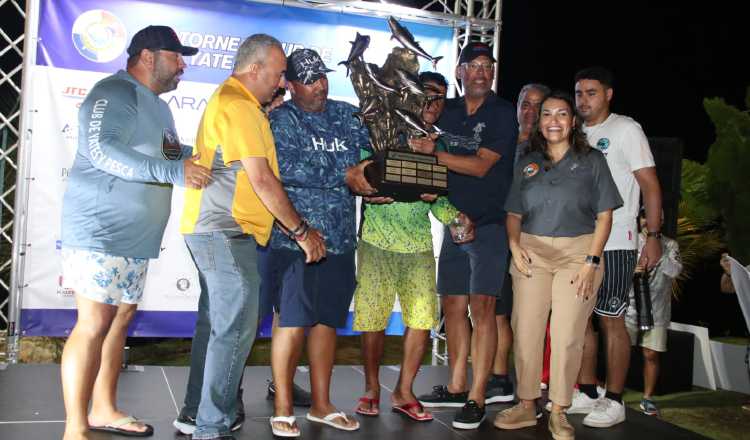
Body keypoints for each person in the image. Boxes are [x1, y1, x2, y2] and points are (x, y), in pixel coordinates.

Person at [58, 25, 210, 439]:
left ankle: (103, 408)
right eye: (177, 56)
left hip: (136, 236)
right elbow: (102, 150)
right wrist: (175, 170)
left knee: (119, 320)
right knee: (93, 323)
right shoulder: (116, 92)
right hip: (99, 230)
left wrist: (206, 158)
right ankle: (74, 429)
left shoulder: (159, 108)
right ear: (147, 56)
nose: (183, 64)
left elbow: (168, 153)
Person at [175, 35, 326, 440]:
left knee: (214, 326)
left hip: (213, 228)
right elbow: (261, 179)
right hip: (224, 229)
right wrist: (301, 232)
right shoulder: (239, 106)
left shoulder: (234, 100)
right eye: (278, 74)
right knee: (236, 330)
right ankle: (212, 427)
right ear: (255, 69)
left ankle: (194, 414)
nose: (281, 84)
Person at [493, 91, 621, 440]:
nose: (553, 120)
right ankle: (525, 404)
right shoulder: (528, 162)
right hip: (531, 252)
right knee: (526, 330)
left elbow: (605, 215)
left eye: (561, 114)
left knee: (566, 335)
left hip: (577, 255)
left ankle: (560, 409)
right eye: (547, 114)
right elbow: (514, 213)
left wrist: (592, 261)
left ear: (572, 121)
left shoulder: (592, 160)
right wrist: (514, 246)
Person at [263, 48, 374, 436]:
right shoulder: (280, 119)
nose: (320, 85)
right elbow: (286, 168)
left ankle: (322, 404)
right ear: (290, 85)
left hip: (341, 239)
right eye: (310, 80)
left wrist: (380, 177)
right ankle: (283, 406)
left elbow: (373, 155)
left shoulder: (346, 114)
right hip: (296, 240)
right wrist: (346, 174)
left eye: (323, 77)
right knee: (291, 322)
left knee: (328, 321)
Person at [414, 41, 517, 430]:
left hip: (489, 225)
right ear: (459, 72)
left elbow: (479, 168)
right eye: (472, 66)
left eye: (486, 66)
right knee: (453, 306)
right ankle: (457, 385)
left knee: (483, 309)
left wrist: (434, 155)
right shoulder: (450, 111)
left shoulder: (502, 113)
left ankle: (477, 396)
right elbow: (421, 126)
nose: (479, 72)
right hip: (455, 223)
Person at [353, 72, 461, 422]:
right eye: (427, 94)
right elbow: (361, 173)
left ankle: (403, 391)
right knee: (373, 320)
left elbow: (437, 199)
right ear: (410, 94)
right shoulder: (384, 126)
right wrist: (371, 188)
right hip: (377, 241)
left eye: (441, 97)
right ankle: (371, 388)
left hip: (417, 245)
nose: (433, 103)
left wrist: (457, 218)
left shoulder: (438, 146)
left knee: (421, 320)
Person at [571, 66, 663, 428]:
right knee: (580, 322)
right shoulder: (575, 131)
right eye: (579, 93)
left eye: (591, 92)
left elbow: (651, 185)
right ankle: (588, 391)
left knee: (611, 320)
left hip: (617, 240)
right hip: (578, 241)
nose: (583, 100)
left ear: (608, 94)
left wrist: (653, 237)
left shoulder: (626, 129)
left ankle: (615, 399)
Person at [488, 82, 552, 402]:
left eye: (537, 106)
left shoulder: (549, 151)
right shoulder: (502, 142)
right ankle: (499, 378)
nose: (530, 111)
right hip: (497, 238)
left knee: (526, 317)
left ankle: (531, 385)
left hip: (532, 243)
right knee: (497, 312)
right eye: (525, 104)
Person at [625, 208, 682, 416]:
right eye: (645, 217)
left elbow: (674, 271)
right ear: (639, 219)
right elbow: (618, 271)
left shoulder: (670, 244)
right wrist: (633, 270)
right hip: (629, 307)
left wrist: (657, 247)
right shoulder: (630, 241)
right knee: (623, 350)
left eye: (656, 218)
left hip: (657, 309)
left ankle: (647, 398)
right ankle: (614, 394)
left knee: (651, 354)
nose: (649, 221)